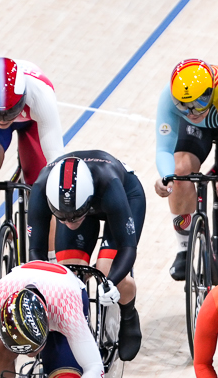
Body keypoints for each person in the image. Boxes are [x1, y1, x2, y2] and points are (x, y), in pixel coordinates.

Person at [27, 151, 145, 361]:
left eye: (74, 217)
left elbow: (128, 248)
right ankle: (77, 330)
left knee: (106, 269)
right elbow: (36, 250)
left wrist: (111, 282)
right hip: (83, 204)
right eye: (62, 218)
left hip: (124, 197)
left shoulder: (109, 183)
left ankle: (129, 314)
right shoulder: (41, 188)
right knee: (69, 273)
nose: (70, 223)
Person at [155, 58, 218, 281]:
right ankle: (184, 248)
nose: (191, 112)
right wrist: (166, 178)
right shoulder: (171, 97)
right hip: (200, 128)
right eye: (183, 105)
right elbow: (164, 149)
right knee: (180, 172)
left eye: (197, 104)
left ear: (210, 92)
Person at [0, 57, 67, 263]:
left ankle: (51, 261)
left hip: (32, 122)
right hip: (3, 121)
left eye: (10, 112)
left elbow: (56, 159)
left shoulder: (40, 94)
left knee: (45, 184)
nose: (3, 119)